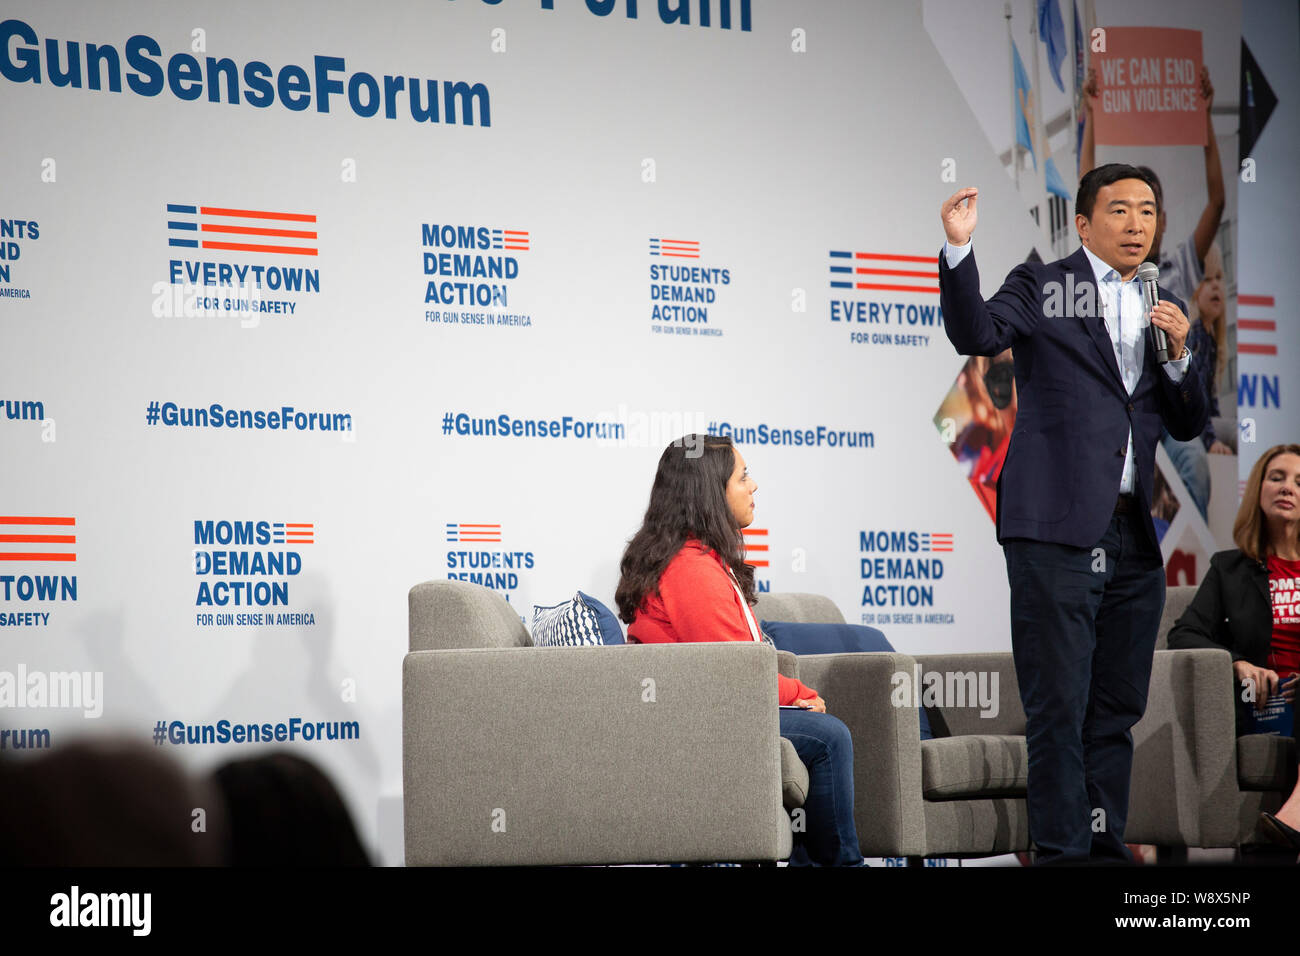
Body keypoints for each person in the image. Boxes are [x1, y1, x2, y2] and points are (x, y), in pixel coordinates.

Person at [938, 164, 1209, 864]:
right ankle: (1061, 854)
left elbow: (1187, 424)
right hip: (1054, 529)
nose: (1136, 223)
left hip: (1131, 535)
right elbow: (977, 331)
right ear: (1084, 224)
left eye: (1148, 210)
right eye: (1119, 210)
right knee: (1059, 706)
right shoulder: (1043, 284)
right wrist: (960, 250)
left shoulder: (1165, 304)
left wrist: (1180, 356)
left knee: (1115, 709)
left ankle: (1102, 843)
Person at [615, 433, 862, 866]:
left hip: (712, 708)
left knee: (824, 731)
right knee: (829, 738)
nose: (754, 486)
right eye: (743, 477)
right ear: (711, 492)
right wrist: (797, 694)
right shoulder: (690, 569)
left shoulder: (698, 558)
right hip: (699, 719)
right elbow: (734, 670)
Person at [1167, 445, 1300, 850]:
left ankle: (1293, 821)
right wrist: (1237, 662)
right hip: (1266, 708)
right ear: (1257, 489)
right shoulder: (1229, 569)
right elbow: (1184, 634)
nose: (1287, 488)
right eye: (1276, 477)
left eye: (1299, 482)